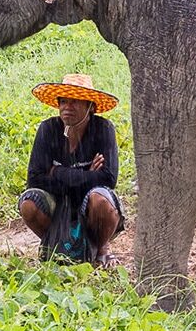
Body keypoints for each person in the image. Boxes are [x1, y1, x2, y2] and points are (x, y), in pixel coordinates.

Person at [17, 73, 126, 267]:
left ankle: (101, 249)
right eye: (64, 102)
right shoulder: (48, 129)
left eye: (75, 102)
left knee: (100, 200)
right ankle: (55, 246)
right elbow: (34, 179)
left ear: (90, 107)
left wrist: (57, 172)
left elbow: (109, 178)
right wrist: (88, 175)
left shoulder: (103, 129)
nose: (67, 107)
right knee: (28, 203)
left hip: (90, 204)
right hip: (58, 204)